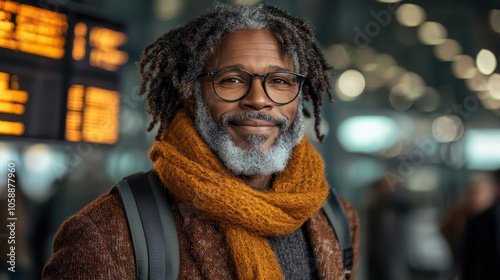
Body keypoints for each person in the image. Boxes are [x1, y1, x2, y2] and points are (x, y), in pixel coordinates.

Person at [42, 3, 360, 279]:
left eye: (279, 81)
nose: (259, 100)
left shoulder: (336, 218)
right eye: (232, 80)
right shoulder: (106, 234)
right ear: (192, 96)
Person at [461, 168, 500, 280]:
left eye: (477, 192)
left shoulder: (492, 218)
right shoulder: (470, 219)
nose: (473, 197)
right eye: (470, 193)